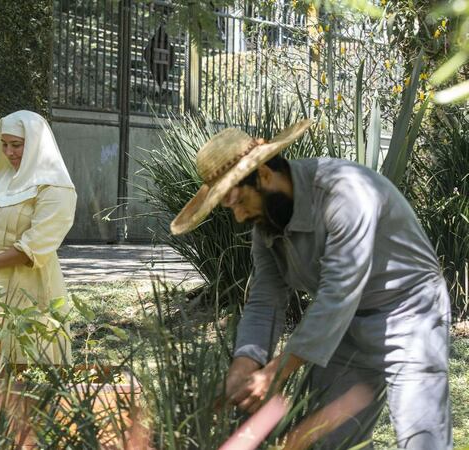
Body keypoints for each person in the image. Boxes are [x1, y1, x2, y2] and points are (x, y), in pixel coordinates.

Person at [170, 120, 452, 449]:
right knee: (326, 440)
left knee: (422, 439)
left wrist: (275, 374)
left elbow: (338, 294)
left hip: (411, 314)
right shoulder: (265, 227)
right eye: (228, 206)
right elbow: (265, 299)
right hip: (345, 330)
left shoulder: (345, 192)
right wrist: (244, 364)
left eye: (237, 199)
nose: (239, 216)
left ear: (263, 174)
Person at [0, 110, 77, 365]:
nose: (9, 152)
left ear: (36, 144)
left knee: (31, 356)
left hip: (30, 283)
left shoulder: (54, 187)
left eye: (17, 145)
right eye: (4, 144)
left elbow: (36, 245)